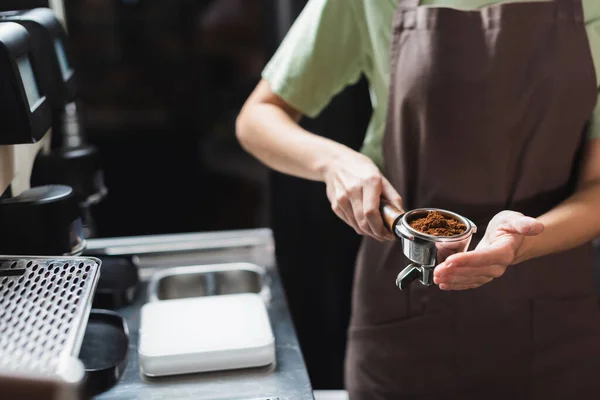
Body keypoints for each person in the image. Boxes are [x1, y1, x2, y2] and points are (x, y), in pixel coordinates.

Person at [236, 0, 600, 398]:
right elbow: (257, 118)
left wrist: (523, 243)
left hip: (553, 313)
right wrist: (335, 162)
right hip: (406, 307)